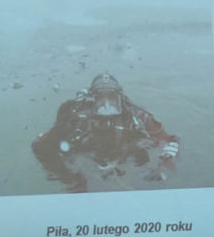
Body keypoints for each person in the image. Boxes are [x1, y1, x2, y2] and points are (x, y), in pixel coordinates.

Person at [31, 74, 181, 192]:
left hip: (124, 160)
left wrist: (165, 160)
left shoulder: (135, 116)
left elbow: (169, 140)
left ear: (120, 99)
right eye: (101, 100)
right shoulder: (77, 119)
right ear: (92, 101)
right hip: (90, 162)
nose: (107, 106)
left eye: (112, 99)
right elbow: (40, 147)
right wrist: (70, 178)